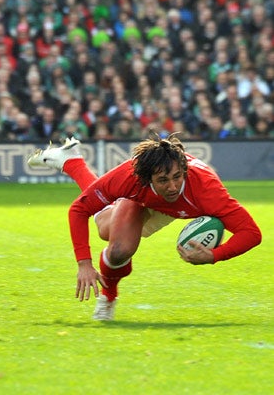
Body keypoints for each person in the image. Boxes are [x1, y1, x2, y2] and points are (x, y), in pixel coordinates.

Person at [27, 134, 262, 321]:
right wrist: (84, 263)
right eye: (163, 180)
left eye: (177, 177)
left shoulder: (207, 191)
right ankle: (109, 296)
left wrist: (213, 255)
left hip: (182, 206)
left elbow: (251, 233)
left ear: (184, 171)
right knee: (117, 246)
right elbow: (79, 210)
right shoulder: (130, 177)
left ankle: (72, 162)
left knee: (105, 224)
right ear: (147, 178)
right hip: (141, 200)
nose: (172, 186)